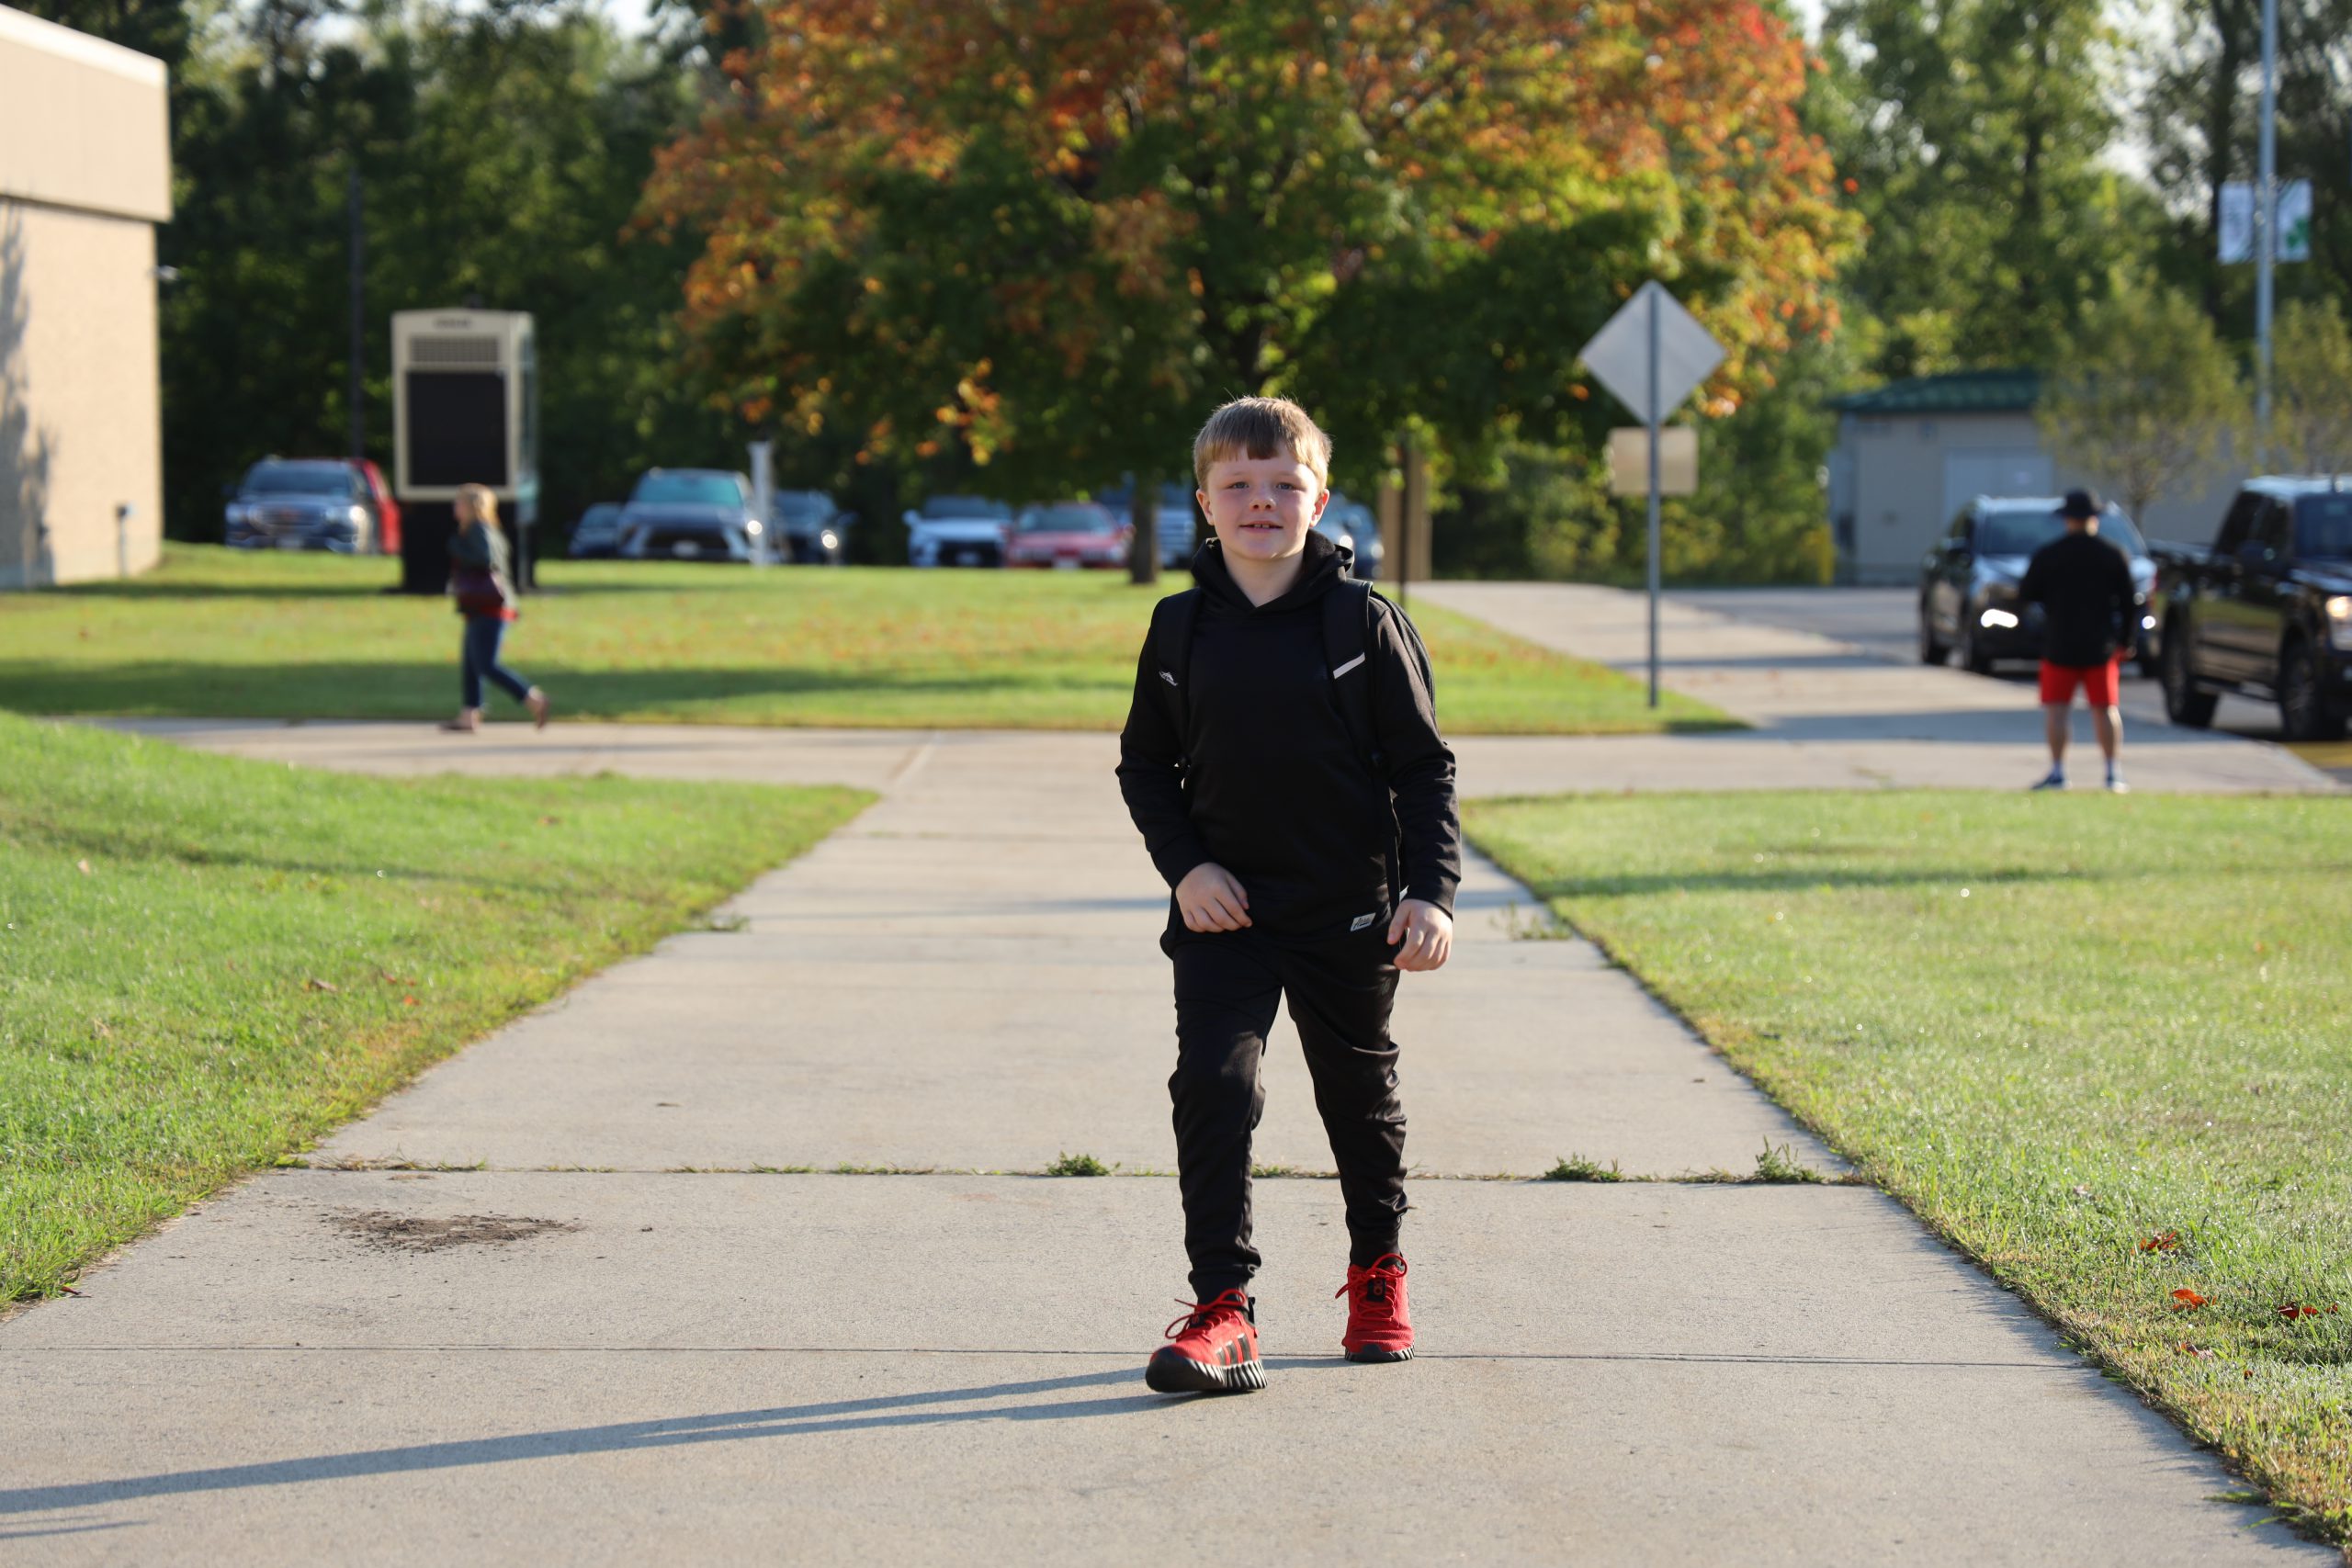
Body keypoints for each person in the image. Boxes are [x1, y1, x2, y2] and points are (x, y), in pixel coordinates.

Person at [1116, 397, 1461, 1394]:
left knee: (1358, 1099)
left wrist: (1428, 893)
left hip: (1346, 914)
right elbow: (1145, 769)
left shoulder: (1363, 623)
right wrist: (1187, 869)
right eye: (1238, 486)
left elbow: (1423, 770)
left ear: (1319, 498)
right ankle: (1223, 1307)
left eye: (1282, 484)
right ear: (1204, 505)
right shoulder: (1178, 629)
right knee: (1215, 1088)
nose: (1260, 501)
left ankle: (1375, 1273)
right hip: (1225, 917)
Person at [2019, 488, 2136, 793]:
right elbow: (2129, 603)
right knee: (2105, 707)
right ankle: (2113, 773)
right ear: (2095, 518)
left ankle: (2058, 772)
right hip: (2101, 645)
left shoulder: (2050, 555)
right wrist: (2126, 640)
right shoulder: (2112, 555)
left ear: (2066, 519)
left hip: (2060, 642)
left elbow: (2027, 594)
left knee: (2057, 708)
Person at [443, 483, 549, 733]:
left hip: (491, 607)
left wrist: (455, 546)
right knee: (471, 663)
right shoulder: (487, 528)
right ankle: (469, 716)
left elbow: (485, 559)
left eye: (459, 502)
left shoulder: (479, 530)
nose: (455, 507)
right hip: (483, 606)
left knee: (486, 665)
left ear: (472, 506)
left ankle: (533, 699)